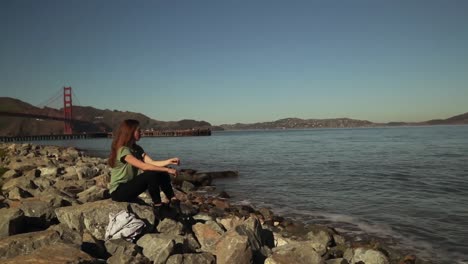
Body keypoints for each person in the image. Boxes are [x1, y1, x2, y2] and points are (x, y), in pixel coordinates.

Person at [108, 119, 179, 210]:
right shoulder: (123, 150)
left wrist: (169, 162)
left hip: (130, 186)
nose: (141, 133)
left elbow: (151, 163)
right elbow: (144, 166)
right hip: (118, 192)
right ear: (130, 132)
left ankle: (173, 200)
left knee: (160, 172)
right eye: (139, 130)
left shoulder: (137, 149)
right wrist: (168, 169)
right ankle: (158, 207)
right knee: (150, 174)